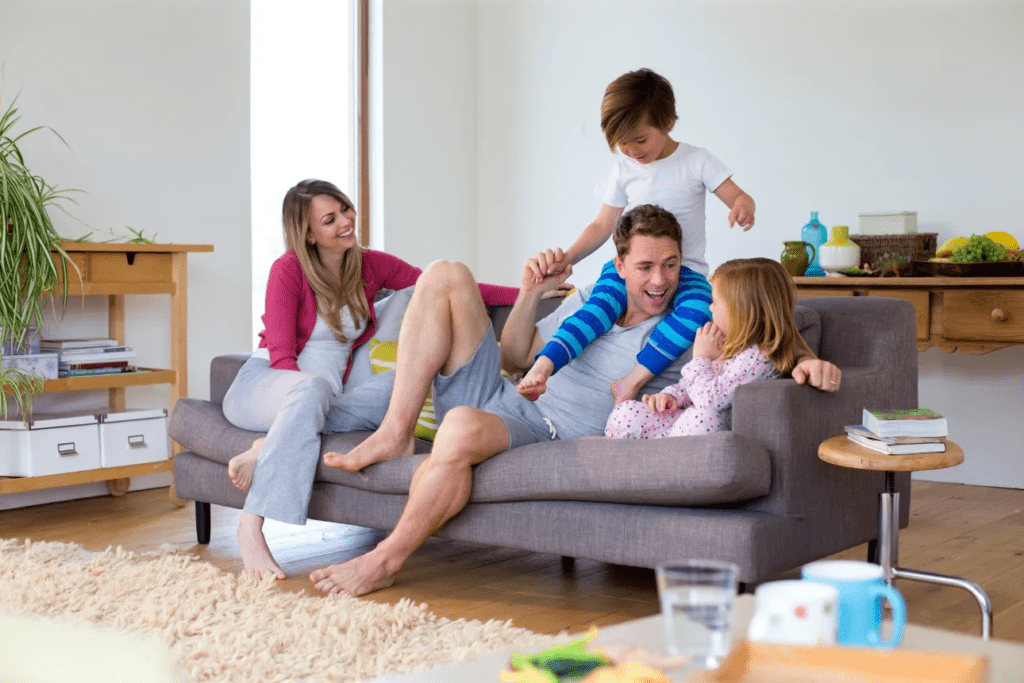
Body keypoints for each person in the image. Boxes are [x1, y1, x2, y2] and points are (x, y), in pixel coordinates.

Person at [310, 204, 840, 597]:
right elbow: (516, 357)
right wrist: (530, 293)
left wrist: (805, 362)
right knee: (446, 272)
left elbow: (764, 332)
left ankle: (384, 560)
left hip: (545, 428)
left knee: (461, 430)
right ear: (620, 263)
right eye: (647, 266)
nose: (661, 280)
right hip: (502, 391)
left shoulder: (689, 327)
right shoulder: (592, 302)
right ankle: (397, 429)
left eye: (672, 265)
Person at [220, 178, 517, 579]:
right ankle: (250, 526)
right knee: (311, 390)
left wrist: (528, 291)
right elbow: (281, 355)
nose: (345, 221)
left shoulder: (370, 264)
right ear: (308, 234)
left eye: (345, 209)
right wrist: (297, 411)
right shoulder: (287, 270)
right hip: (267, 386)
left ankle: (266, 447)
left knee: (407, 382)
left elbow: (446, 286)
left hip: (328, 400)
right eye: (330, 219)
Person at [517, 67, 756, 405]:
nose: (632, 150)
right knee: (596, 309)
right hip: (633, 270)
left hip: (684, 272)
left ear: (668, 122)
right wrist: (565, 259)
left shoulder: (696, 161)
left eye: (640, 140)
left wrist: (743, 207)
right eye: (622, 143)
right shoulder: (624, 171)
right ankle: (543, 367)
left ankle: (630, 382)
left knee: (698, 311)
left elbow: (737, 195)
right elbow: (601, 226)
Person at [605, 258, 816, 439]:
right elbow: (691, 386)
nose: (710, 308)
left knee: (700, 417)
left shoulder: (758, 358)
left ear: (743, 313)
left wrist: (701, 358)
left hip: (710, 430)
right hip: (682, 427)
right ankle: (628, 449)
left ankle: (660, 460)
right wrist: (671, 396)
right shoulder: (727, 343)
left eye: (715, 302)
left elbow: (710, 402)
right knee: (627, 411)